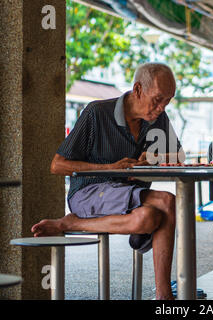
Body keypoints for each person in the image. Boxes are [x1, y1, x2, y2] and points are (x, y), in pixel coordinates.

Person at [31, 62, 185, 300]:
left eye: (168, 100)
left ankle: (73, 224)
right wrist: (109, 168)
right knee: (166, 200)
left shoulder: (158, 119)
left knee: (149, 218)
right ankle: (164, 296)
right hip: (88, 194)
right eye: (158, 99)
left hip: (130, 198)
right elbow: (57, 165)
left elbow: (179, 157)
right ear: (137, 90)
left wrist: (155, 159)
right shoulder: (96, 113)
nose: (162, 107)